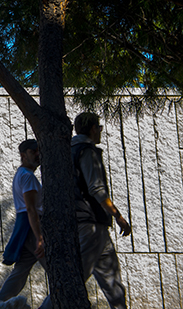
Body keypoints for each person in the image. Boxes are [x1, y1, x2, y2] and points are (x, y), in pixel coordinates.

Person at [39, 113, 131, 309]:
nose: (100, 132)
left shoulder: (67, 151)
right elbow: (96, 189)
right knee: (74, 279)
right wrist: (118, 216)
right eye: (99, 127)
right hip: (91, 225)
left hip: (92, 225)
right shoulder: (87, 151)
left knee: (113, 284)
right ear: (92, 128)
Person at [0, 139, 45, 302]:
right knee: (57, 269)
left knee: (20, 272)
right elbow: (30, 209)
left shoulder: (21, 175)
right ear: (23, 155)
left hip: (26, 227)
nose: (37, 154)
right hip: (32, 228)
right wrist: (39, 238)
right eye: (33, 152)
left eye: (38, 151)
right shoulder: (27, 177)